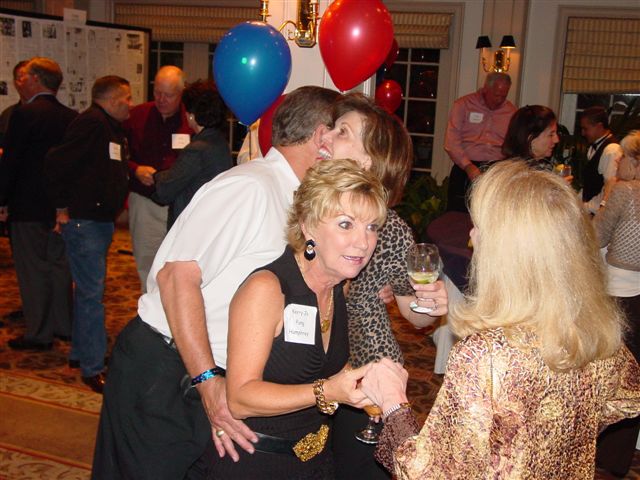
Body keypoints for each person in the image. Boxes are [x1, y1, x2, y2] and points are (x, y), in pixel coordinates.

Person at [92, 86, 341, 480]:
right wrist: (208, 381)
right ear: (321, 137)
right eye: (344, 134)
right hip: (166, 371)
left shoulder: (292, 197)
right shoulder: (251, 187)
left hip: (200, 370)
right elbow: (176, 278)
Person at [360, 160, 640, 479]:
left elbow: (428, 473)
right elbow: (627, 399)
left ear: (508, 251)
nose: (472, 234)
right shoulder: (596, 335)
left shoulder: (485, 356)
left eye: (480, 226)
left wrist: (393, 401)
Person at [213, 159, 387, 478]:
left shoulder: (337, 286)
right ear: (308, 226)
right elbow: (239, 398)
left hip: (317, 460)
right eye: (346, 224)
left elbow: (319, 367)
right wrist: (327, 391)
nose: (363, 242)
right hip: (257, 463)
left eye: (372, 227)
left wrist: (363, 382)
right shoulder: (267, 289)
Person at [317, 93, 448, 479]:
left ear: (368, 161)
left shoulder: (389, 228)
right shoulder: (307, 206)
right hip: (308, 363)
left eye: (343, 132)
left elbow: (414, 315)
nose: (326, 135)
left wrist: (429, 305)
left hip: (364, 372)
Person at [44, 76, 133, 393]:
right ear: (111, 100)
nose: (130, 104)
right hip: (85, 222)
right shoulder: (93, 124)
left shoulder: (108, 126)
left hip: (97, 221)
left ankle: (81, 354)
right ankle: (92, 367)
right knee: (91, 296)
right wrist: (60, 206)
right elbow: (56, 162)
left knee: (87, 293)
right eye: (127, 98)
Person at [0, 57, 77, 351]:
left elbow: (11, 162)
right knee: (59, 266)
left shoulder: (24, 114)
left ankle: (39, 333)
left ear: (36, 80)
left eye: (24, 77)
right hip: (60, 205)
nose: (19, 82)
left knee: (32, 269)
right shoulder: (71, 116)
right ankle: (63, 324)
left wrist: (2, 199)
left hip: (28, 205)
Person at [593, 130, 640, 477]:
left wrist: (605, 200)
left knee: (605, 375)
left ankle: (593, 454)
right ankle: (616, 462)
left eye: (624, 156)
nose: (618, 161)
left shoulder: (624, 191)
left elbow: (596, 237)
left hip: (617, 294)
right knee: (633, 379)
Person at [125, 65, 192, 292]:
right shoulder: (137, 115)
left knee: (178, 263)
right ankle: (149, 306)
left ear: (181, 93)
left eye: (168, 95)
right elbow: (118, 155)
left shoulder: (190, 120)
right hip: (145, 201)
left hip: (179, 203)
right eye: (157, 93)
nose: (161, 99)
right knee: (146, 260)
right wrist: (135, 169)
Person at [151, 80, 233, 229]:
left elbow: (164, 191)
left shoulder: (197, 149)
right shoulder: (220, 142)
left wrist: (155, 176)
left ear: (191, 116)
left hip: (192, 226)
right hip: (210, 222)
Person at [444, 72, 516, 212]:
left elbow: (514, 145)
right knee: (458, 215)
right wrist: (468, 166)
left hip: (496, 170)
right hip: (465, 168)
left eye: (504, 96)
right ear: (485, 89)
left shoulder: (511, 112)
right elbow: (451, 141)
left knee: (491, 213)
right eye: (496, 95)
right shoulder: (463, 105)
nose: (499, 100)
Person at [580, 106, 623, 213]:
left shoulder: (612, 150)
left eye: (586, 129)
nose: (582, 133)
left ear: (599, 126)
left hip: (597, 213)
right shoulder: (593, 147)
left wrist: (586, 207)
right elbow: (589, 184)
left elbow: (609, 189)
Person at [0, 60, 29, 151]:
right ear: (15, 83)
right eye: (20, 78)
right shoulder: (7, 114)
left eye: (27, 79)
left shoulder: (50, 113)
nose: (24, 83)